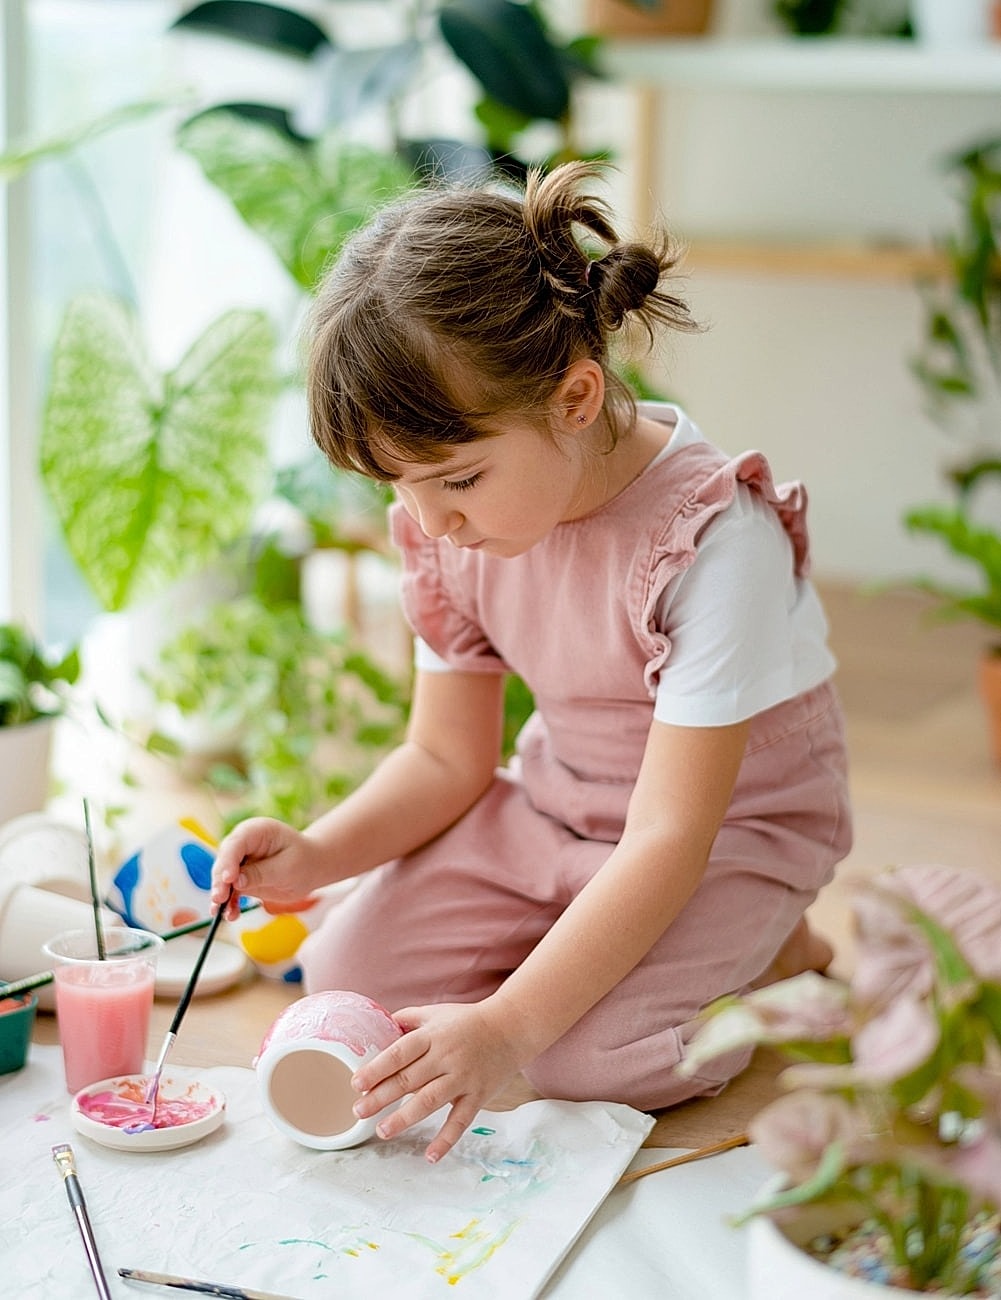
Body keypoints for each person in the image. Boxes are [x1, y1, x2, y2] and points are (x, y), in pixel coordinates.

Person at [211, 160, 852, 1163]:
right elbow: (444, 760)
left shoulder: (716, 539)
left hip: (722, 833)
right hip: (558, 804)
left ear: (575, 396)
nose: (428, 522)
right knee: (342, 965)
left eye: (457, 478)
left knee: (585, 1057)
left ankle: (774, 951)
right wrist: (319, 855)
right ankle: (586, 955)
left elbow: (668, 838)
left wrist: (508, 1028)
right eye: (401, 486)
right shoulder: (445, 525)